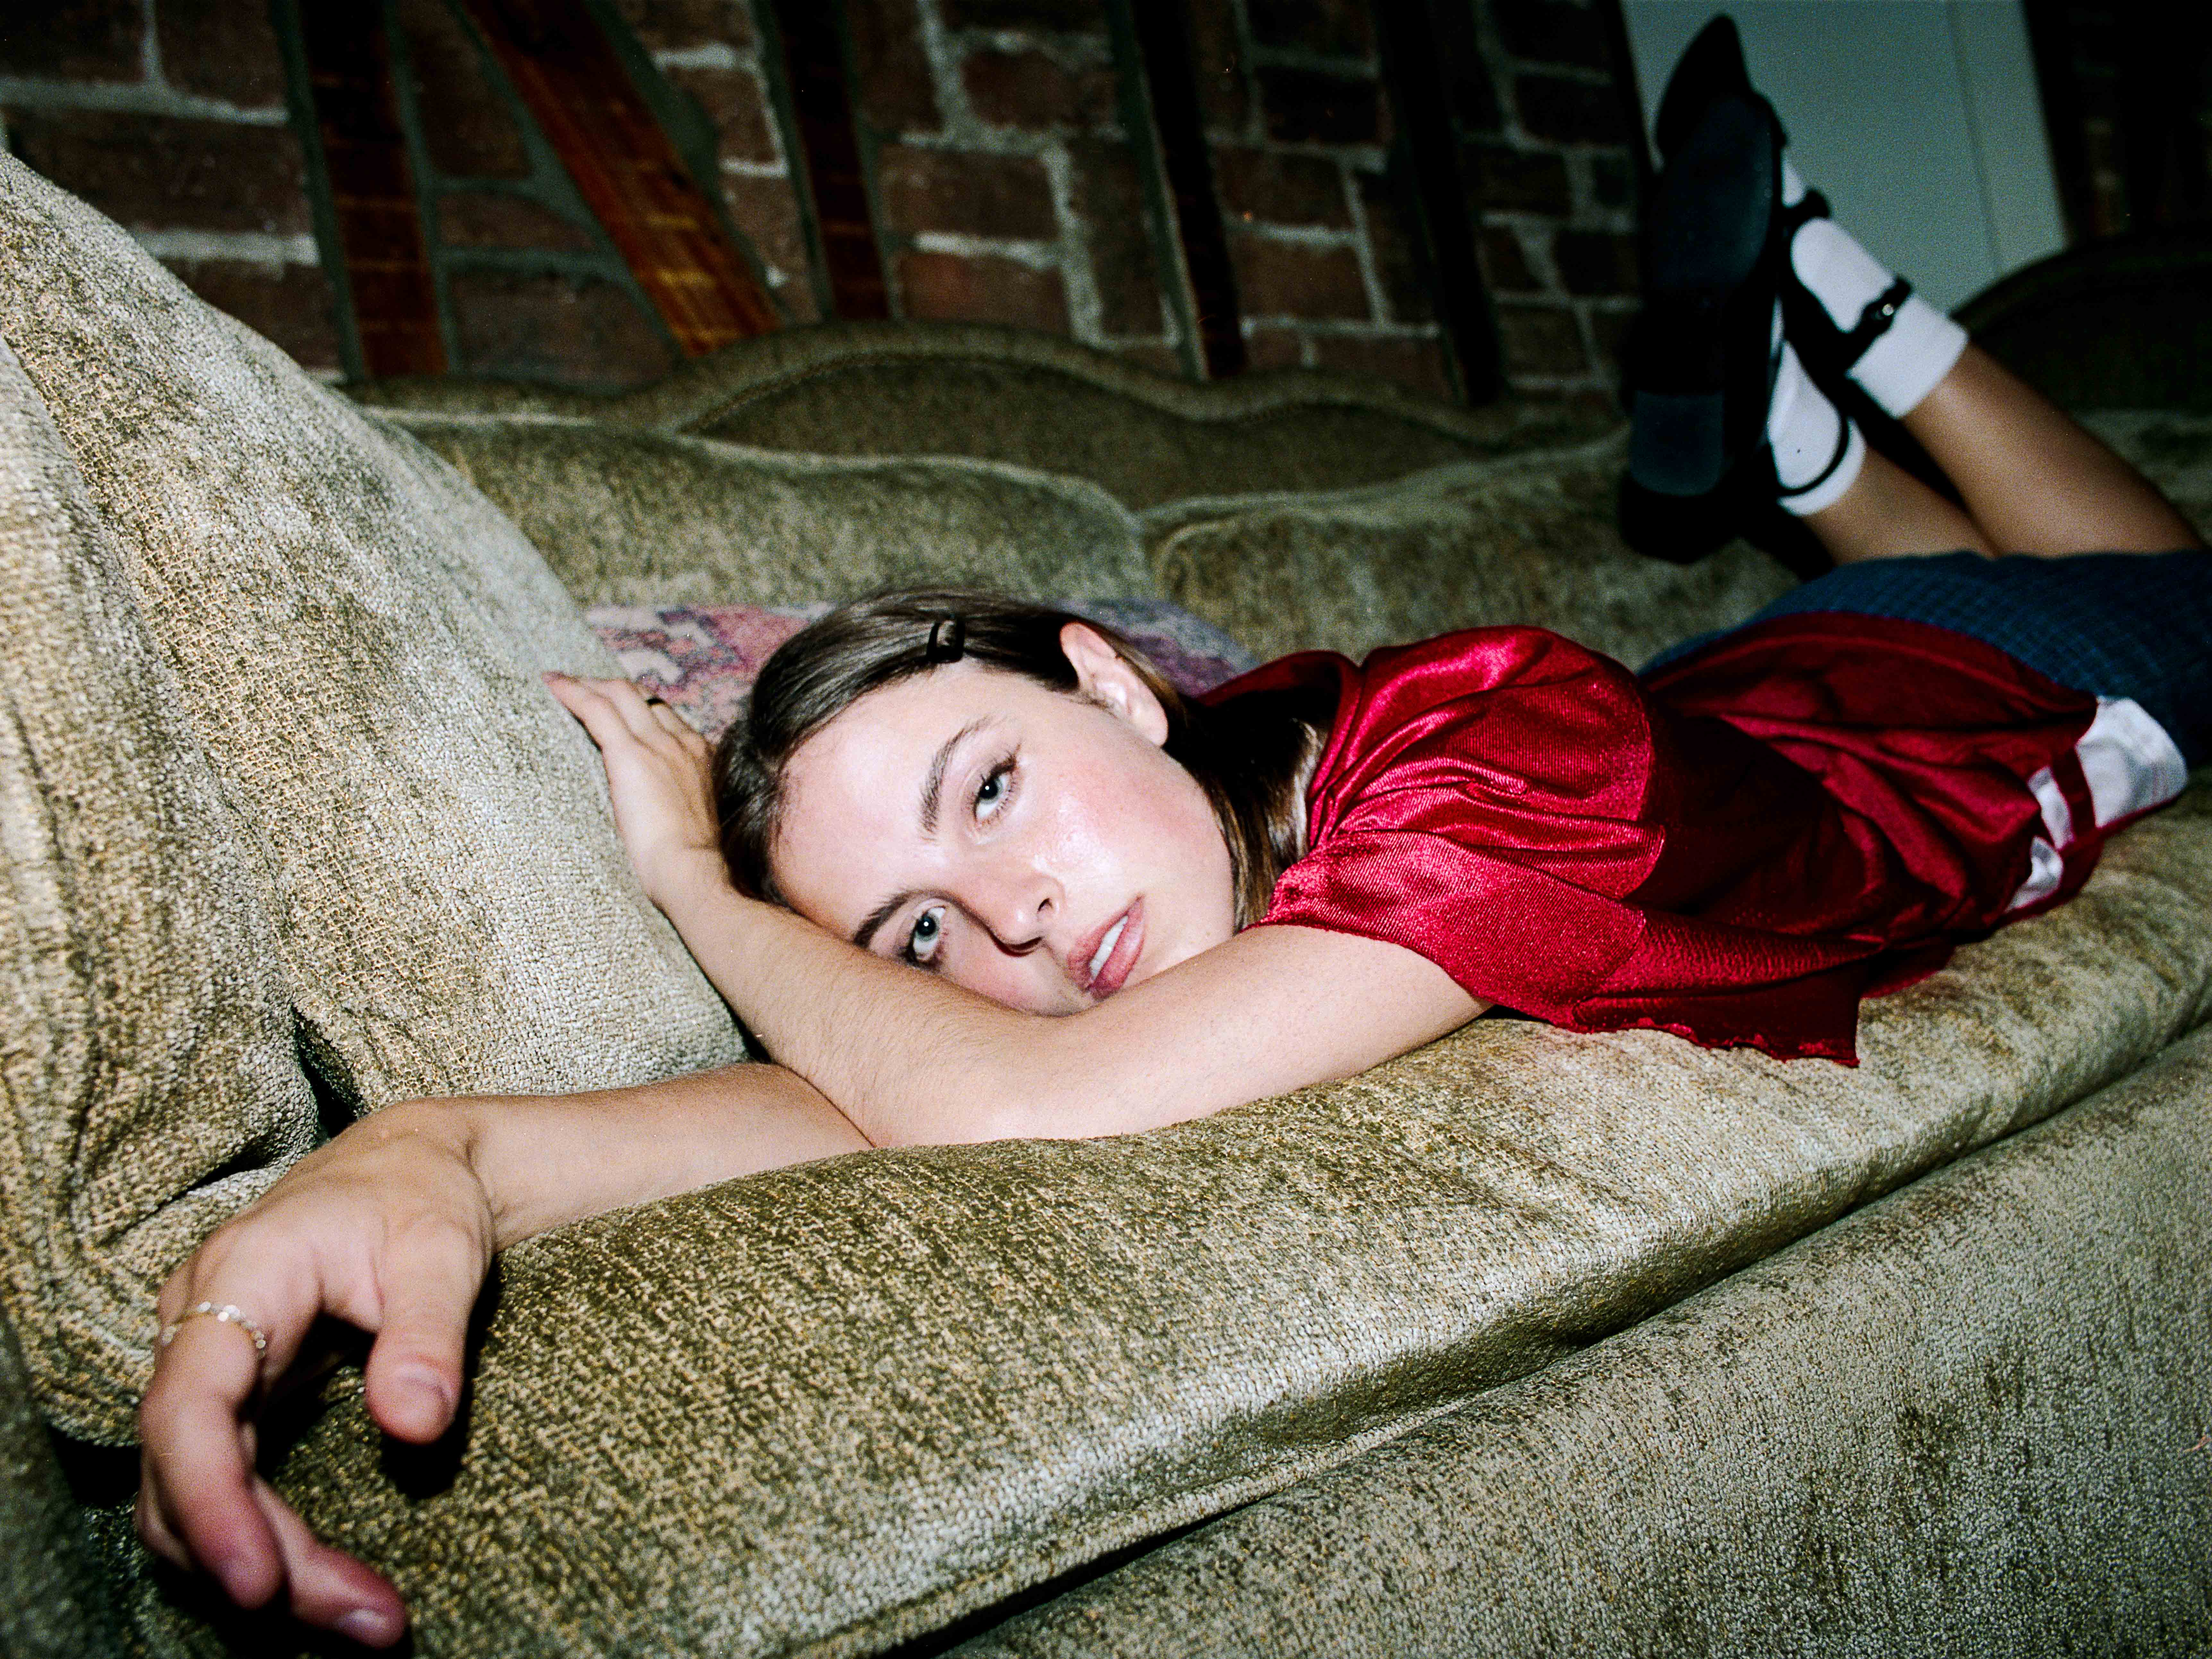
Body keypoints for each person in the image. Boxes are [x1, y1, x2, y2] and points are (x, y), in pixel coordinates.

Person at [134, 18, 2208, 1648]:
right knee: (1900, 567)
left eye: (991, 786)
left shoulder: (1490, 756)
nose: (1019, 922)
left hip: (1977, 700)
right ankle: (1792, 421)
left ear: (1116, 684)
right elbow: (897, 1093)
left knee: (2181, 589)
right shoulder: (1225, 867)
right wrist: (440, 1149)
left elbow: (1052, 1100)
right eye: (918, 934)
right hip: (1748, 678)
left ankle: (1842, 279)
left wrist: (689, 876)